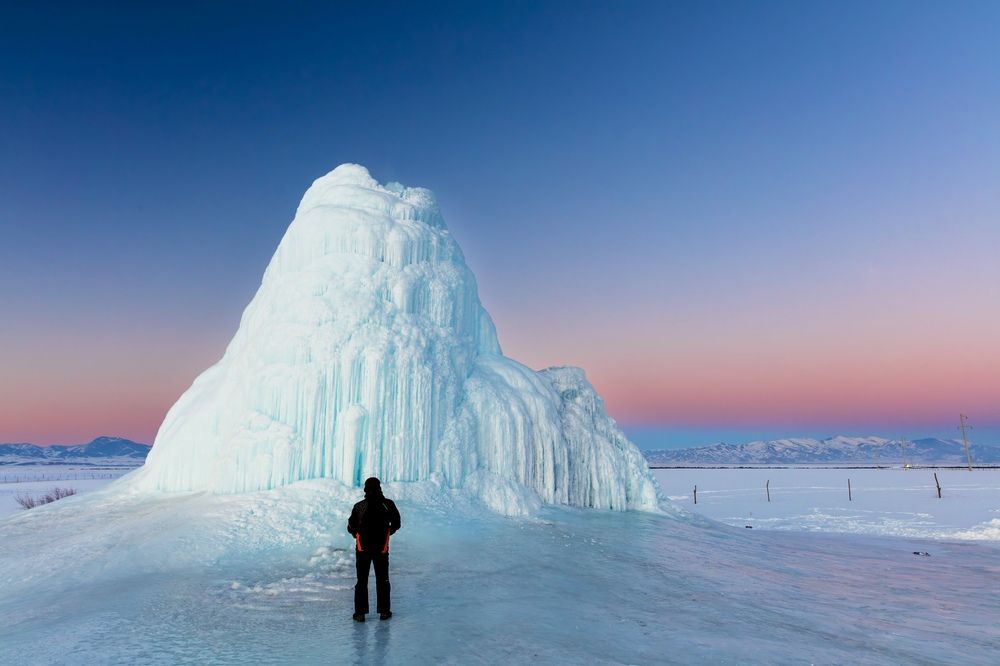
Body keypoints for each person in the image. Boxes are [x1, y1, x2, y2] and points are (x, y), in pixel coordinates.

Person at [347, 477, 401, 622]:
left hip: (362, 549)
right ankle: (384, 611)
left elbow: (350, 526)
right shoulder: (387, 504)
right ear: (379, 488)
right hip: (381, 548)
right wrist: (387, 533)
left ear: (365, 489)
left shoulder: (359, 506)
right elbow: (397, 523)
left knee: (362, 581)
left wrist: (356, 535)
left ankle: (360, 613)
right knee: (382, 579)